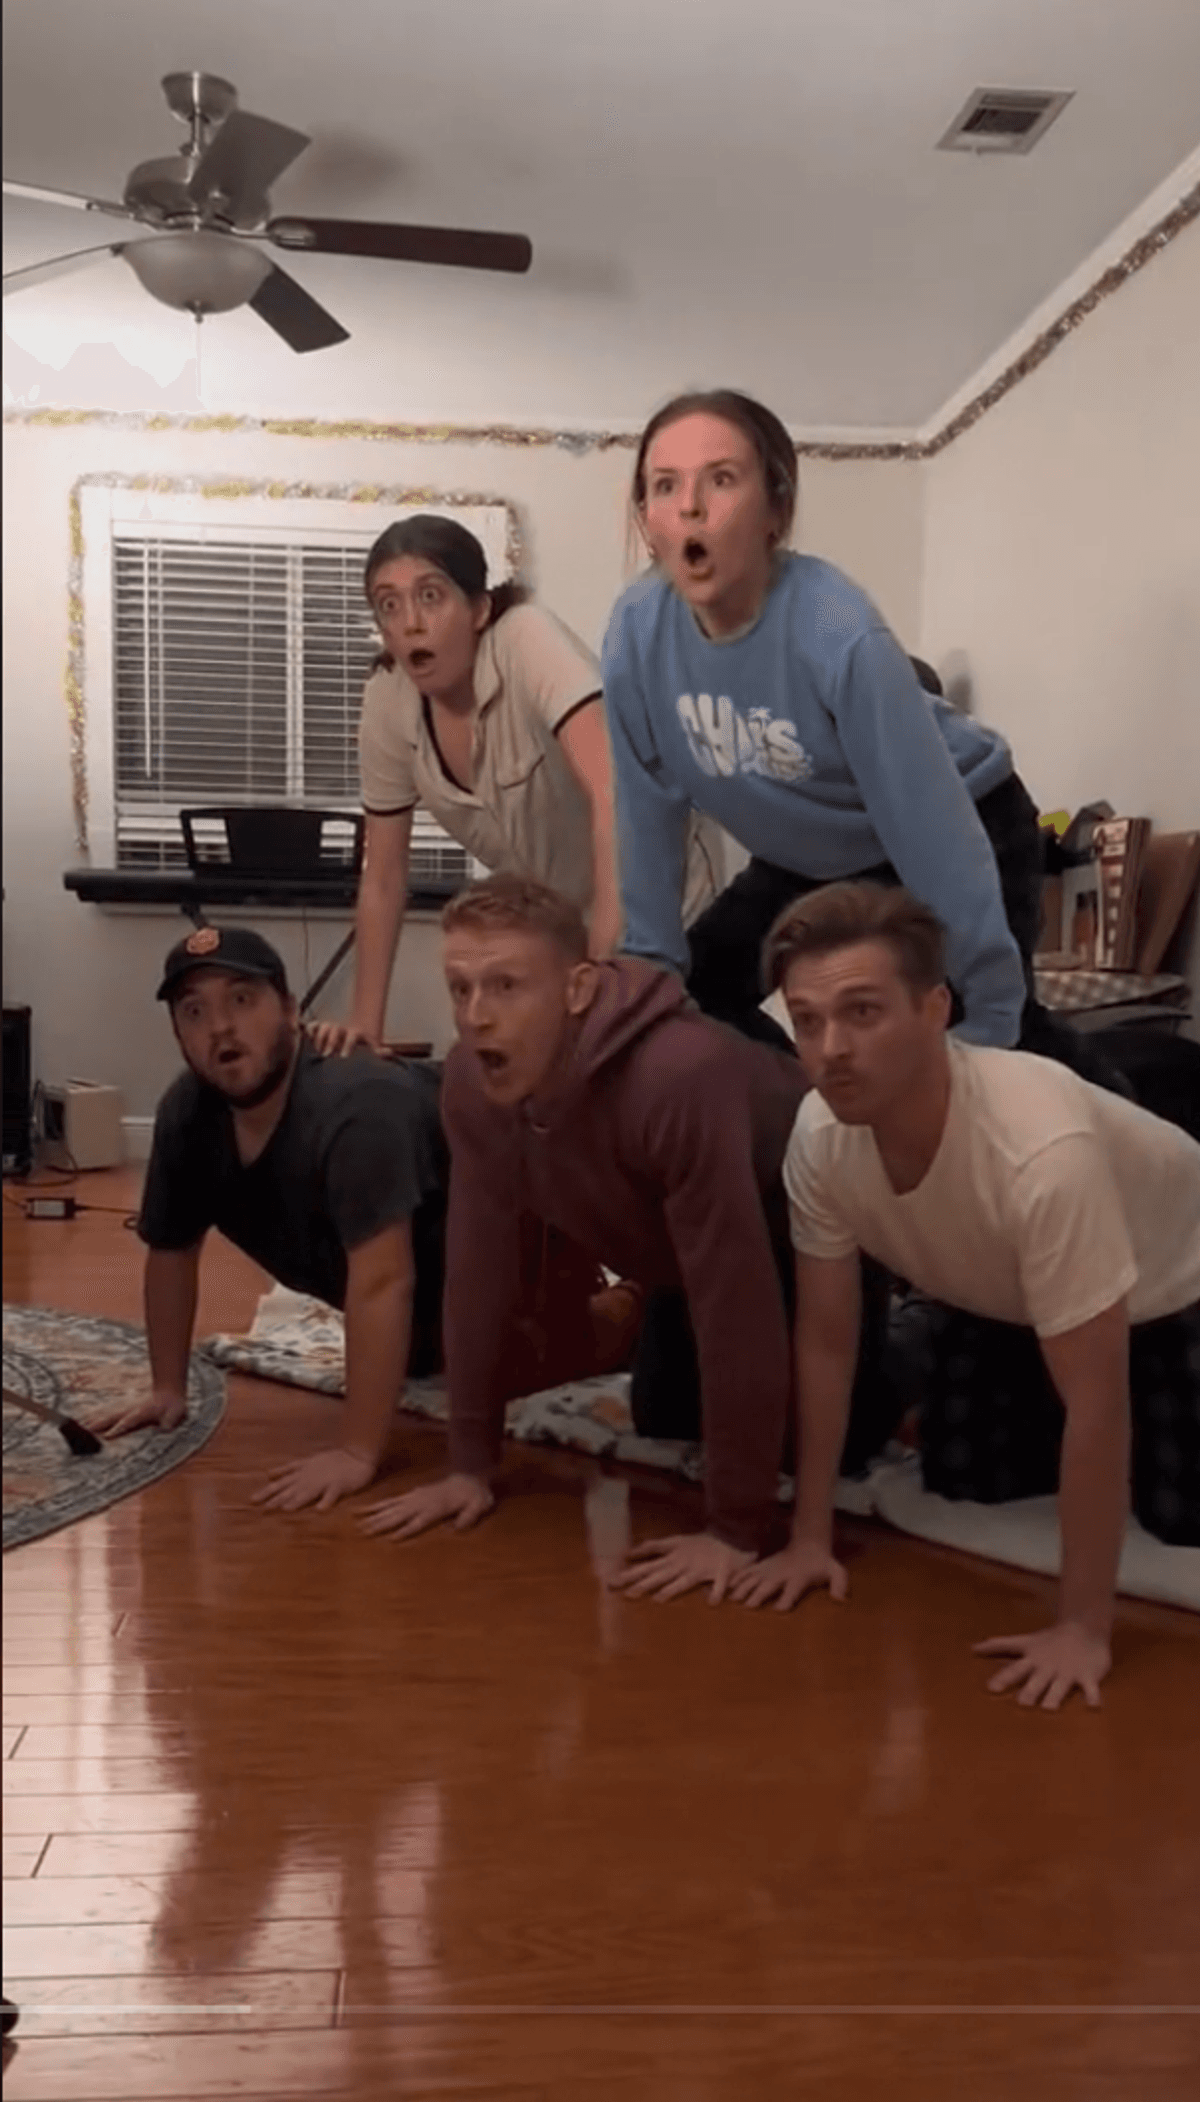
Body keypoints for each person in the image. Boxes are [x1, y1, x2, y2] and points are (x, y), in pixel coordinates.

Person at [734, 881, 1200, 1709]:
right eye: (807, 1021)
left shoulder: (1037, 1149)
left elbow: (1099, 1404)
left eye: (863, 1012)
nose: (831, 1047)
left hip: (1175, 1288)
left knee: (1176, 1512)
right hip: (1008, 1296)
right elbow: (829, 1341)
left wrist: (1082, 1627)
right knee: (965, 1476)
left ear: (935, 1009)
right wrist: (810, 1537)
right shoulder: (818, 1136)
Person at [360, 874, 823, 1597]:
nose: (475, 1016)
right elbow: (478, 1269)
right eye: (460, 988)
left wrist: (735, 1530)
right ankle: (643, 1311)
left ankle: (920, 1325)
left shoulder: (677, 1076)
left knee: (827, 1442)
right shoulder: (470, 1082)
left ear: (576, 989)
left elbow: (735, 1303)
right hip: (679, 1252)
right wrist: (468, 1467)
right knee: (667, 1415)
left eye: (507, 986)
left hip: (811, 1241)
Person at [601, 388, 1049, 1054]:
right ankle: (819, 1117)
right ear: (647, 522)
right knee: (693, 1003)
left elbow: (931, 829)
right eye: (665, 486)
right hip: (808, 857)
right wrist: (651, 964)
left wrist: (985, 1006)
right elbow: (647, 808)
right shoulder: (636, 634)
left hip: (962, 818)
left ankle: (1146, 1141)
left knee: (972, 1048)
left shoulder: (835, 629)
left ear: (775, 512)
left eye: (721, 479)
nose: (690, 506)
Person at [312, 514, 722, 1057]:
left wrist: (602, 968)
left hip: (662, 890)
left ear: (479, 609)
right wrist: (366, 1021)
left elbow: (614, 794)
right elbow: (384, 876)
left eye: (431, 597)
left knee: (656, 1066)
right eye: (389, 605)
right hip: (558, 924)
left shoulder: (527, 638)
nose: (410, 622)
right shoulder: (388, 700)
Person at [92, 926, 449, 1512]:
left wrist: (358, 1453)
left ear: (290, 1011)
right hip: (417, 1301)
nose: (220, 1027)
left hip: (520, 1240)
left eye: (242, 1000)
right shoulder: (187, 1114)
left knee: (498, 1361)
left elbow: (386, 1281)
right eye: (194, 1011)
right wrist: (167, 1388)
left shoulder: (357, 1103)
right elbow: (171, 1250)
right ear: (177, 1033)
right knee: (417, 1361)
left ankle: (633, 1303)